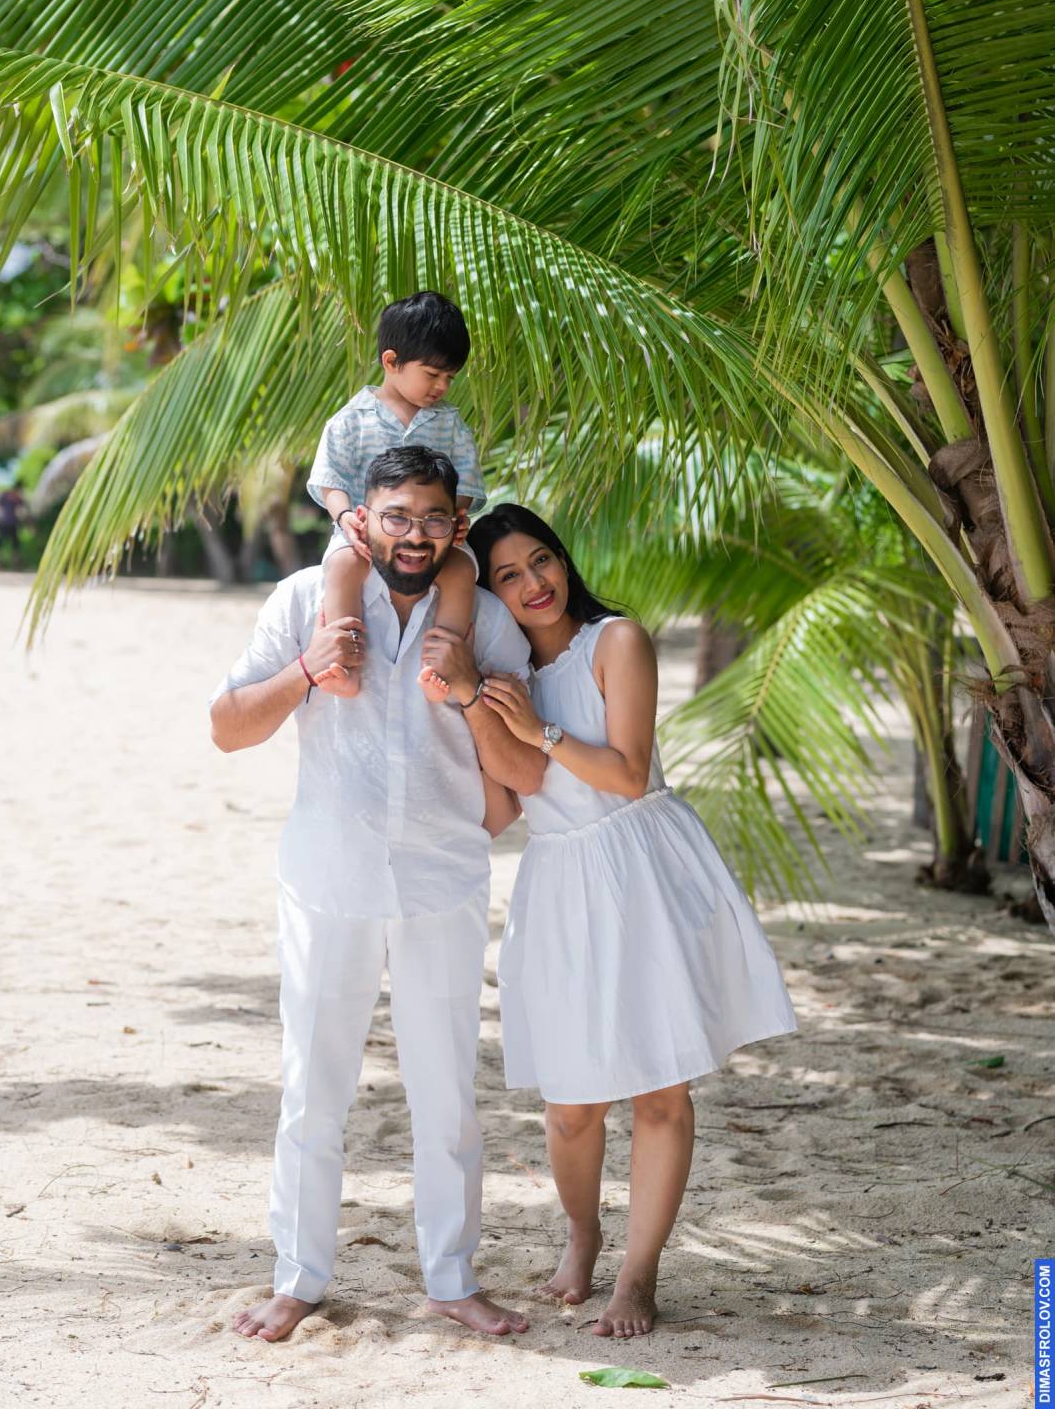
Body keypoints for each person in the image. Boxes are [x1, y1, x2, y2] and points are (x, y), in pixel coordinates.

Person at [210, 449, 545, 1343]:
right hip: (328, 880)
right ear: (363, 517)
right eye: (398, 517)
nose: (415, 536)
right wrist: (306, 670)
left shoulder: (487, 621)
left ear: (456, 523)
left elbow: (526, 770)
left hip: (444, 880)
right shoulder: (304, 600)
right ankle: (297, 1280)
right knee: (313, 1092)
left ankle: (452, 1280)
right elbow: (227, 728)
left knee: (448, 1096)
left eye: (433, 518)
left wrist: (469, 689)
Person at [469, 503, 799, 1341]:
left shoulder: (617, 641)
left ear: (563, 559)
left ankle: (639, 1274)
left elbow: (626, 772)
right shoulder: (501, 677)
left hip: (642, 866)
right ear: (487, 594)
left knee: (660, 1088)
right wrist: (474, 707)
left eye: (541, 560)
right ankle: (582, 1234)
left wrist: (538, 729)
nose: (533, 583)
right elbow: (505, 808)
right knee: (571, 1105)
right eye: (507, 575)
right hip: (559, 882)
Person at [306, 291, 485, 703]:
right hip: (366, 533)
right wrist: (345, 517)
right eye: (432, 374)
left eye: (450, 377)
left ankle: (442, 666)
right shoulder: (351, 420)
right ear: (391, 361)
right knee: (344, 565)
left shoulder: (450, 424)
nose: (442, 386)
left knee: (460, 570)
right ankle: (345, 665)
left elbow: (467, 482)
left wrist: (456, 516)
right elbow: (330, 478)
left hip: (431, 535)